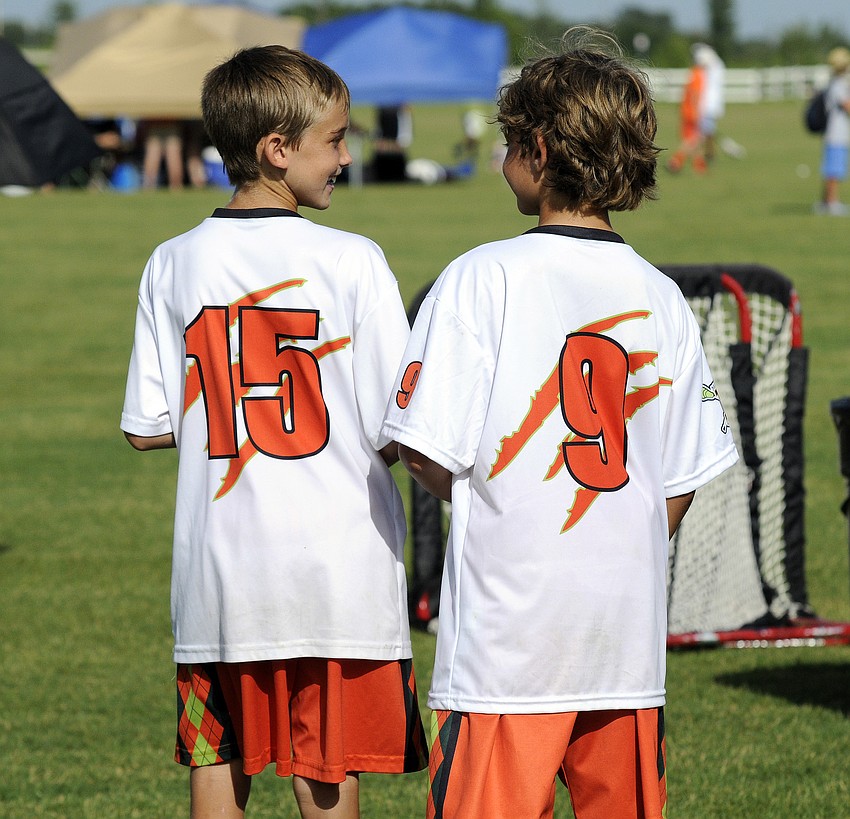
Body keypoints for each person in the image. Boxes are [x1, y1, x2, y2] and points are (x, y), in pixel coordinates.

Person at [381, 30, 739, 819]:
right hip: (625, 641)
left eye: (511, 139)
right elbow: (677, 483)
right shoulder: (662, 297)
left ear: (537, 150)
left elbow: (423, 448)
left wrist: (499, 504)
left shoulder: (479, 278)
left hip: (507, 648)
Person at [120, 45, 427, 818]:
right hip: (337, 573)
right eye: (336, 139)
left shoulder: (172, 262)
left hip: (221, 573)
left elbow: (148, 427)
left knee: (215, 761)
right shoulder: (354, 260)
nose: (348, 156)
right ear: (277, 148)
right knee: (324, 775)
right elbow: (398, 426)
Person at [666, 43, 721, 174]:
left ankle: (699, 166)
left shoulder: (692, 72)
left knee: (694, 139)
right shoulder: (699, 74)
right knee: (694, 140)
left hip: (686, 110)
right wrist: (697, 112)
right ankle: (675, 161)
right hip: (693, 112)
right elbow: (695, 95)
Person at [815, 46, 850, 215]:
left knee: (832, 169)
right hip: (837, 134)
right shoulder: (839, 84)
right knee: (834, 170)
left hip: (835, 134)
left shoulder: (836, 82)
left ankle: (826, 202)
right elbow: (847, 105)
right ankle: (831, 203)